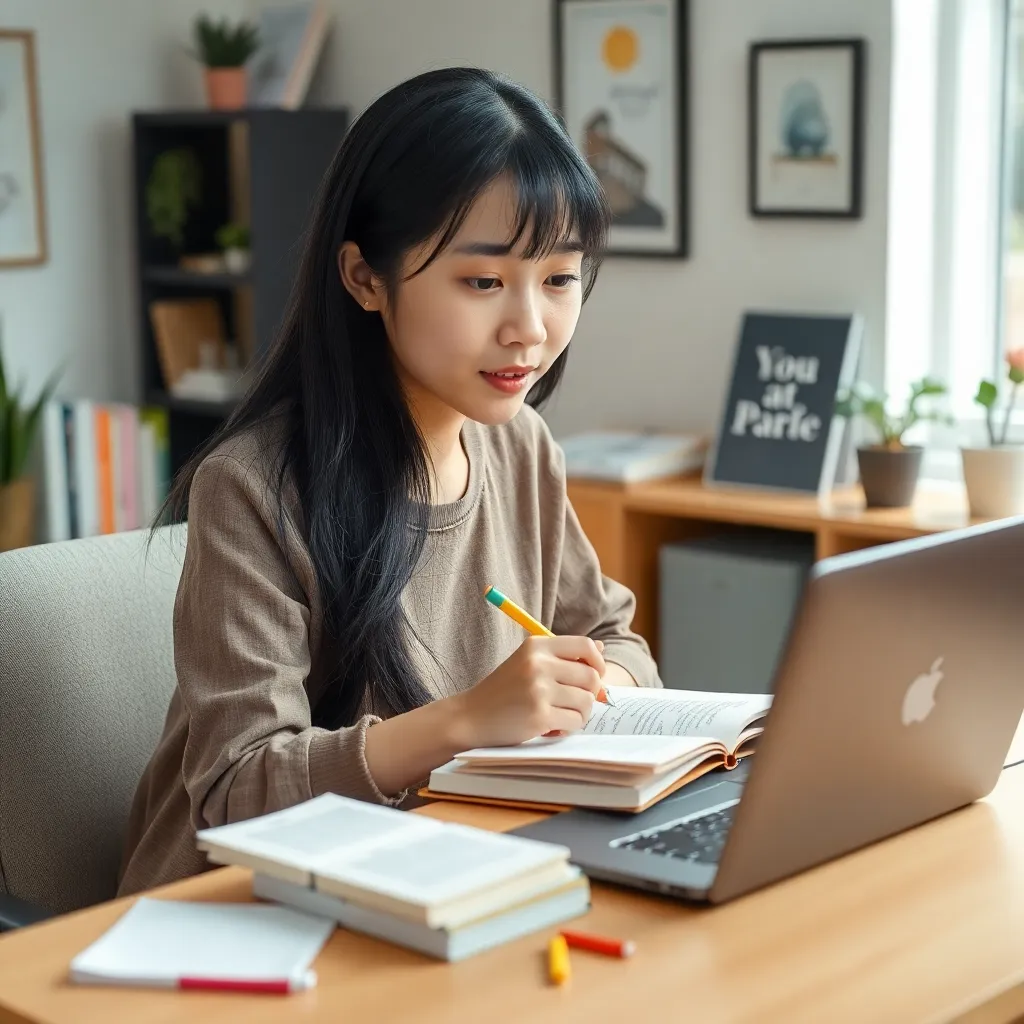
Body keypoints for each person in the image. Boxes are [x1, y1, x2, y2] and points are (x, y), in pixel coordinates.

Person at [118, 66, 662, 896]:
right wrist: (467, 721)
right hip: (245, 911)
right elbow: (236, 794)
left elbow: (619, 642)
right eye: (482, 281)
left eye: (560, 278)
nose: (530, 326)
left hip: (437, 869)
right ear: (365, 277)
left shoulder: (521, 448)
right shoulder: (253, 488)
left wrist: (594, 685)